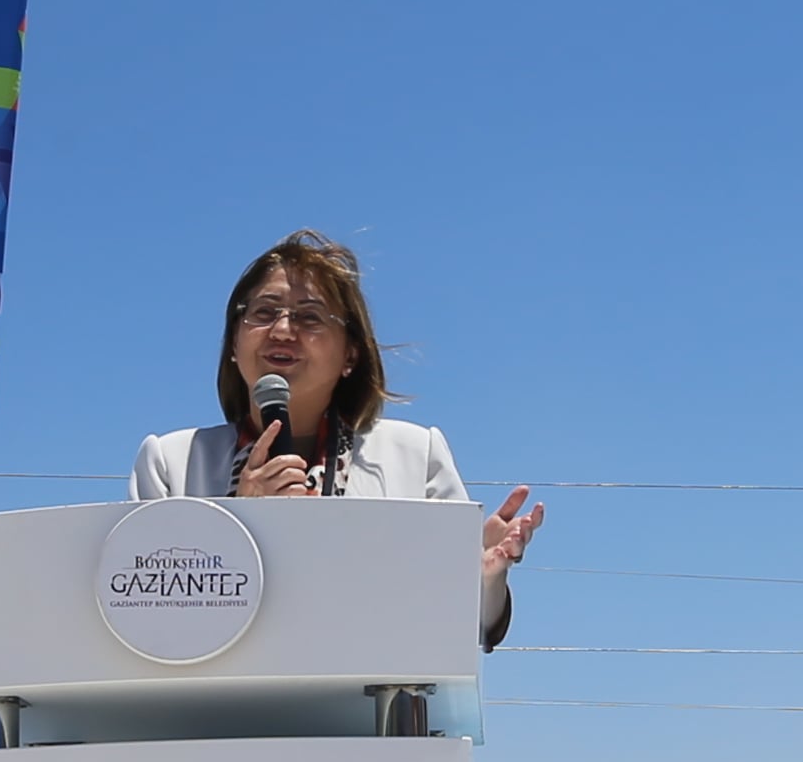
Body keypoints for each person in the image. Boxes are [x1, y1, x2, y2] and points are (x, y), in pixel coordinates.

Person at [129, 232, 543, 647]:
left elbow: (467, 630)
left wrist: (483, 579)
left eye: (310, 317)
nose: (282, 330)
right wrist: (240, 523)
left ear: (350, 355)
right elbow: (143, 618)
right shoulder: (172, 463)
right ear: (234, 343)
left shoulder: (417, 456)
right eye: (264, 312)